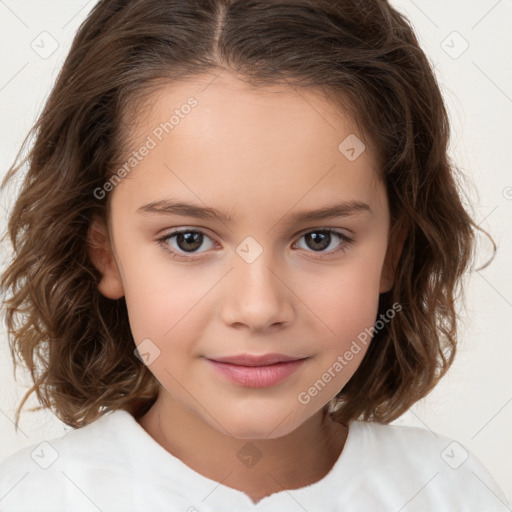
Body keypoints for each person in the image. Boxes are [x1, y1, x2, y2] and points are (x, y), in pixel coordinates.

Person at [0, 0, 509, 510]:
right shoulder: (32, 497)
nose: (258, 308)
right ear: (106, 253)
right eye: (189, 240)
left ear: (393, 252)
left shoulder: (451, 492)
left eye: (319, 239)